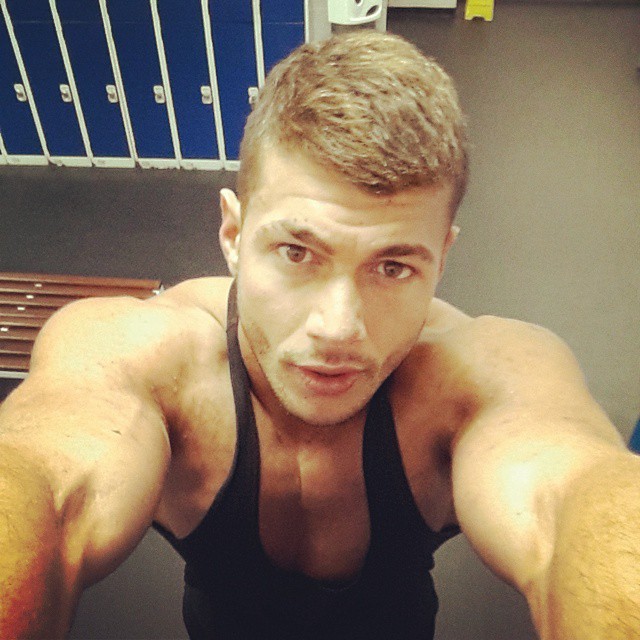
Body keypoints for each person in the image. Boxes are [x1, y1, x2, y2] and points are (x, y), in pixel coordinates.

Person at [0, 30, 638, 640]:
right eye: (296, 253)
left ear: (442, 257)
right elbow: (47, 479)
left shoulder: (478, 373)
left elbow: (570, 502)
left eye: (393, 267)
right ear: (233, 234)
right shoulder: (142, 354)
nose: (338, 328)